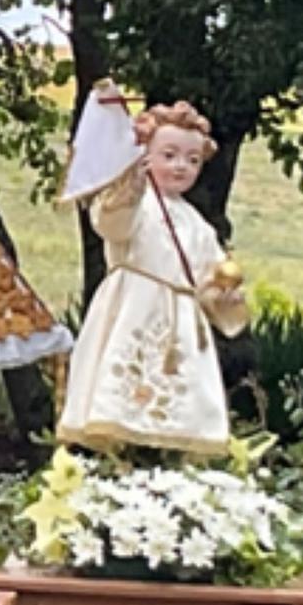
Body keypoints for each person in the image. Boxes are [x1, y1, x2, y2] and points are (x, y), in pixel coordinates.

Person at [56, 97, 248, 456]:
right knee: (124, 390)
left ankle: (166, 456)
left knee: (178, 398)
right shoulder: (135, 203)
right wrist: (129, 186)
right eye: (169, 155)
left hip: (182, 323)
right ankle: (120, 455)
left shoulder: (198, 224)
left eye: (192, 160)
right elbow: (112, 225)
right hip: (135, 307)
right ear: (145, 155)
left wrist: (223, 293)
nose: (181, 167)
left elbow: (209, 277)